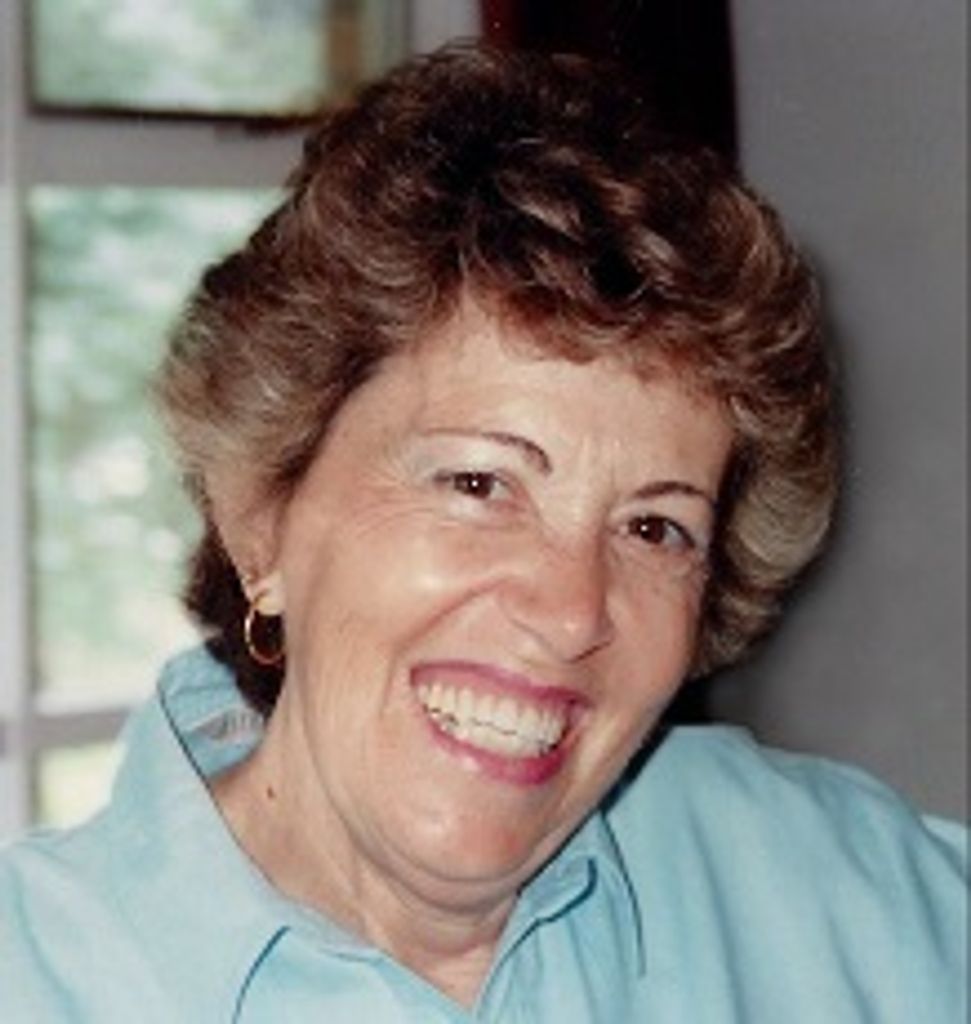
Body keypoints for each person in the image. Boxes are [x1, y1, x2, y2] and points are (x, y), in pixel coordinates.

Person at [0, 45, 965, 1023]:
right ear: (262, 517)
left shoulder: (834, 888)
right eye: (477, 482)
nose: (570, 611)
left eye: (652, 527)